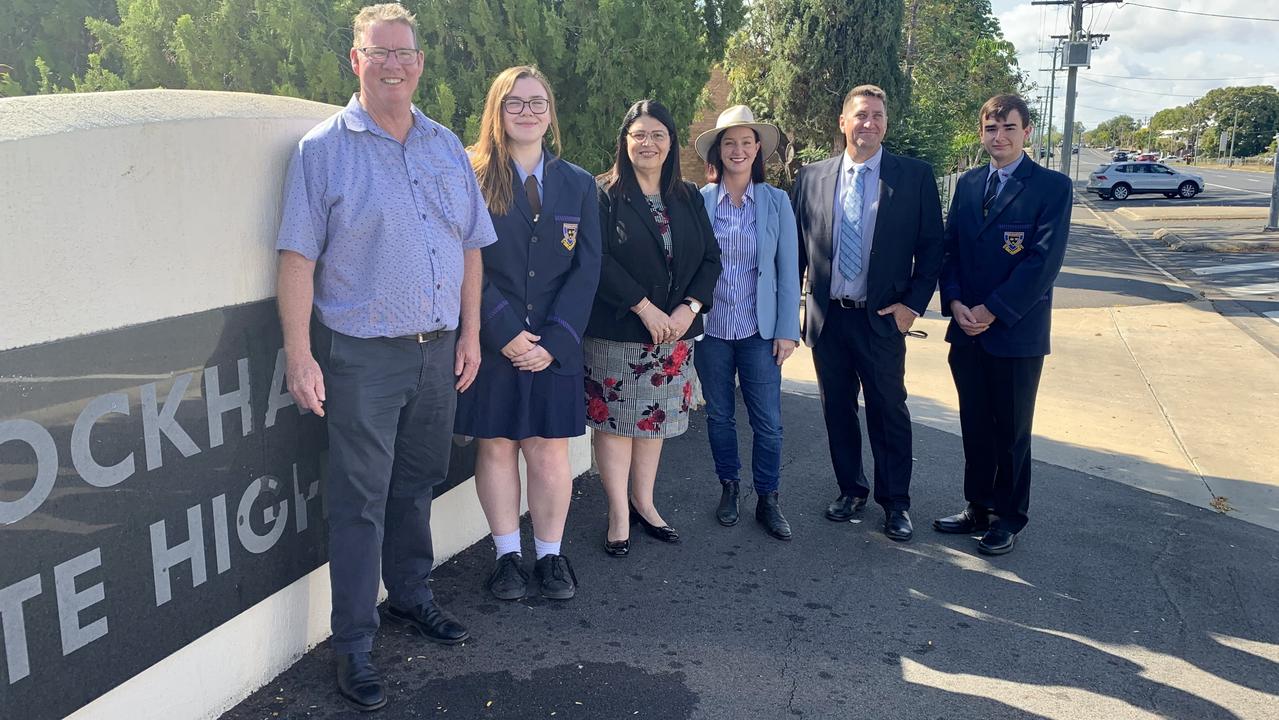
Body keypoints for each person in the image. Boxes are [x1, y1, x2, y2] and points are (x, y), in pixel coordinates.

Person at [275, 3, 496, 712]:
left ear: (420, 62)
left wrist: (470, 334)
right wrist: (300, 353)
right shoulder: (322, 150)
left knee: (416, 484)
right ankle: (354, 645)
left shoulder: (443, 145)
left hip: (437, 354)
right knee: (359, 504)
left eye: (404, 52)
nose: (393, 64)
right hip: (362, 359)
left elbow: (468, 245)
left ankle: (411, 597)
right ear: (356, 60)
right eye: (379, 52)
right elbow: (296, 258)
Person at [454, 66, 601, 600]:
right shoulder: (469, 174)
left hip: (553, 347)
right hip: (493, 344)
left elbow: (586, 271)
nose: (528, 112)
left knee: (547, 451)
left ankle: (551, 558)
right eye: (515, 102)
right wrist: (505, 333)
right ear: (497, 109)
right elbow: (463, 260)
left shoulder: (580, 184)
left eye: (538, 103)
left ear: (551, 113)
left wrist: (556, 342)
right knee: (495, 448)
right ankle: (507, 557)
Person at [791, 84, 943, 543]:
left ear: (885, 123)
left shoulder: (914, 177)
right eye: (860, 115)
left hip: (881, 318)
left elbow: (933, 248)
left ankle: (895, 503)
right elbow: (797, 249)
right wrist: (789, 314)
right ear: (843, 122)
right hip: (829, 319)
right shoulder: (811, 177)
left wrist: (912, 307)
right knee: (837, 409)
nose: (869, 123)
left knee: (887, 410)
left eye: (877, 115)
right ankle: (850, 489)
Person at [932, 94, 1071, 556]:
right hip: (965, 329)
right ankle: (978, 506)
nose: (1000, 137)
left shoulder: (1051, 188)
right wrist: (952, 301)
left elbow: (1041, 264)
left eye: (1009, 128)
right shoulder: (969, 184)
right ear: (982, 132)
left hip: (1014, 333)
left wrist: (991, 310)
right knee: (974, 424)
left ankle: (1008, 517)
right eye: (991, 129)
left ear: (1027, 131)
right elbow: (949, 251)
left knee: (1010, 431)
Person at [586, 99, 721, 557]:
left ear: (671, 142)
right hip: (619, 331)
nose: (648, 143)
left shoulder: (687, 195)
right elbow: (597, 260)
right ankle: (618, 513)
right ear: (625, 141)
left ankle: (644, 503)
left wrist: (689, 309)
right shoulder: (602, 193)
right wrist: (644, 308)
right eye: (639, 134)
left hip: (673, 335)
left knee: (653, 422)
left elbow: (710, 258)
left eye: (657, 134)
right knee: (618, 425)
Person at [691, 105, 800, 540]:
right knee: (719, 416)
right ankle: (729, 487)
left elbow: (789, 268)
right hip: (712, 330)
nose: (738, 150)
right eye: (729, 143)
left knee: (768, 421)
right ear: (719, 151)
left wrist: (788, 329)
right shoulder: (699, 202)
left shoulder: (776, 203)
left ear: (758, 150)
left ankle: (768, 498)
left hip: (760, 331)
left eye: (746, 142)